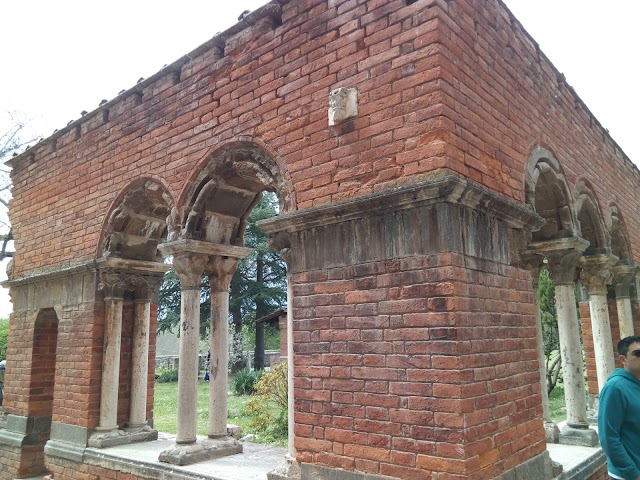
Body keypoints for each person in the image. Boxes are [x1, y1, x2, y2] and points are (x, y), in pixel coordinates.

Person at [598, 335, 640, 480]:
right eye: (638, 354)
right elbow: (608, 438)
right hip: (628, 475)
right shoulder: (615, 388)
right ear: (623, 359)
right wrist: (632, 473)